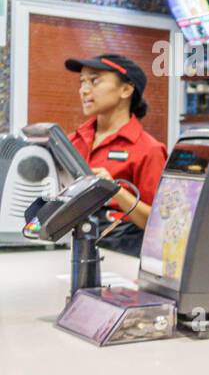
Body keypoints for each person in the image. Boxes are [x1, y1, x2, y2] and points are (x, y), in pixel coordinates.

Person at [65, 53, 167, 256]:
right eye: (82, 82)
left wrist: (115, 191)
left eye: (94, 81)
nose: (84, 90)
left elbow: (160, 224)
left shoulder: (149, 149)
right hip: (70, 248)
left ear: (126, 89)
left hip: (121, 256)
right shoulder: (71, 141)